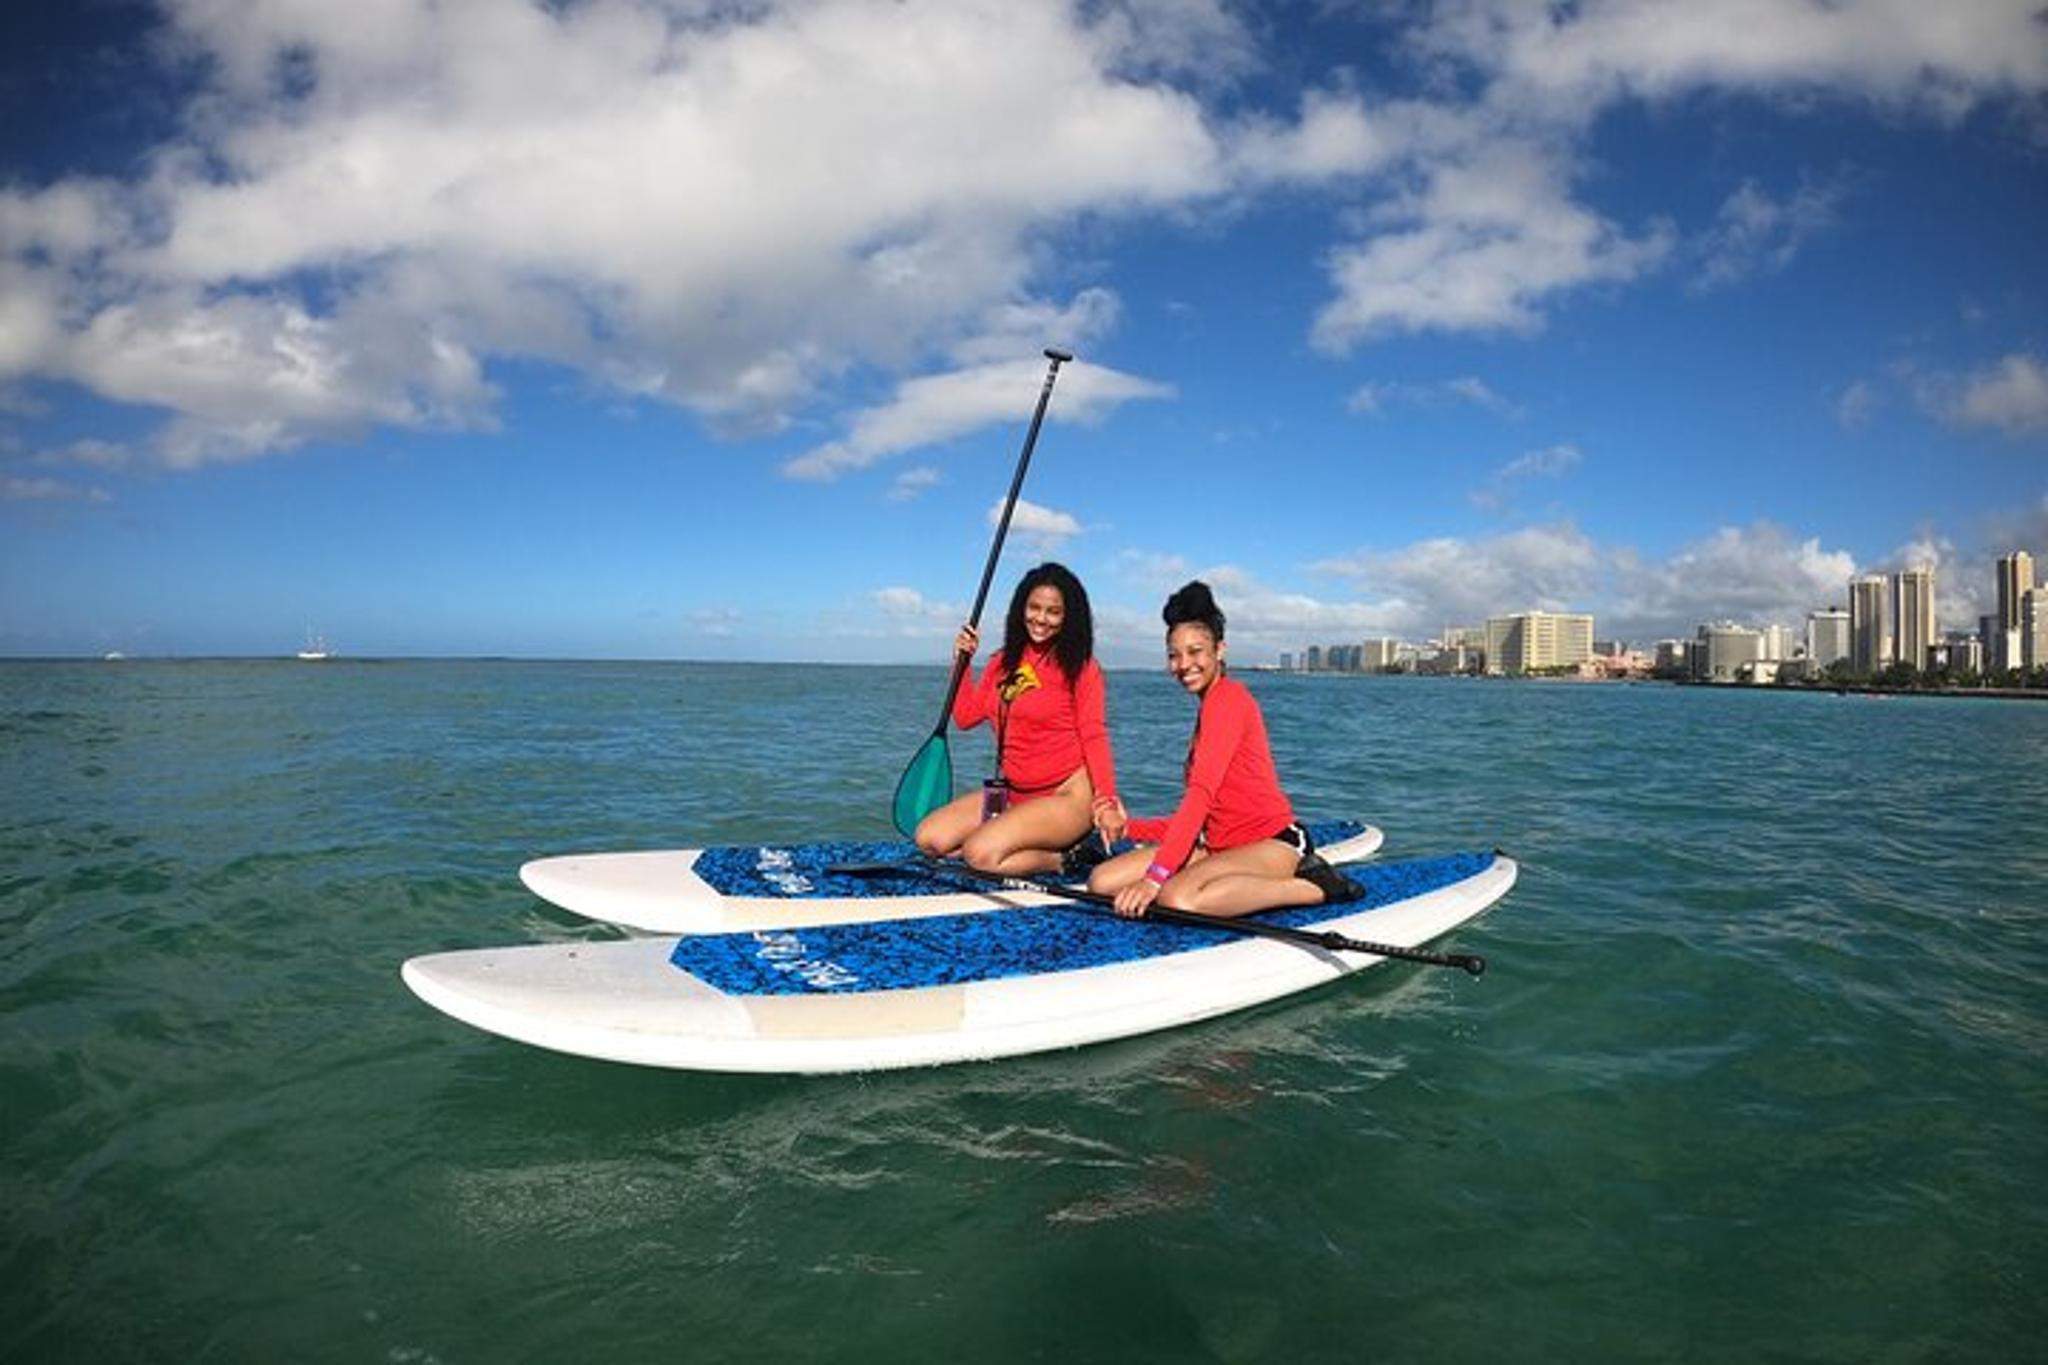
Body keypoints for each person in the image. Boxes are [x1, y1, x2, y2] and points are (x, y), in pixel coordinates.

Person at [1090, 580, 1358, 919]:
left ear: (1220, 650)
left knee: (1177, 898)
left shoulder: (1229, 699)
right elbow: (1205, 816)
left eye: (1195, 651)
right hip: (1219, 846)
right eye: (1174, 655)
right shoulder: (1208, 709)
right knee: (1102, 881)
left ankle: (1317, 886)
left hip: (1273, 843)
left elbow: (1199, 795)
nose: (1184, 663)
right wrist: (1129, 828)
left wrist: (1155, 880)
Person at [915, 562, 1125, 877]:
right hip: (1014, 795)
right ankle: (1012, 839)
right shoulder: (1003, 662)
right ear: (1020, 609)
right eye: (1034, 607)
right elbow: (966, 717)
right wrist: (962, 663)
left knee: (979, 854)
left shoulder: (1082, 668)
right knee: (930, 839)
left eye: (1053, 611)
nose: (1041, 618)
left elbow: (1094, 736)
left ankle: (1069, 857)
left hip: (1066, 796)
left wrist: (1107, 802)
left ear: (1069, 617)